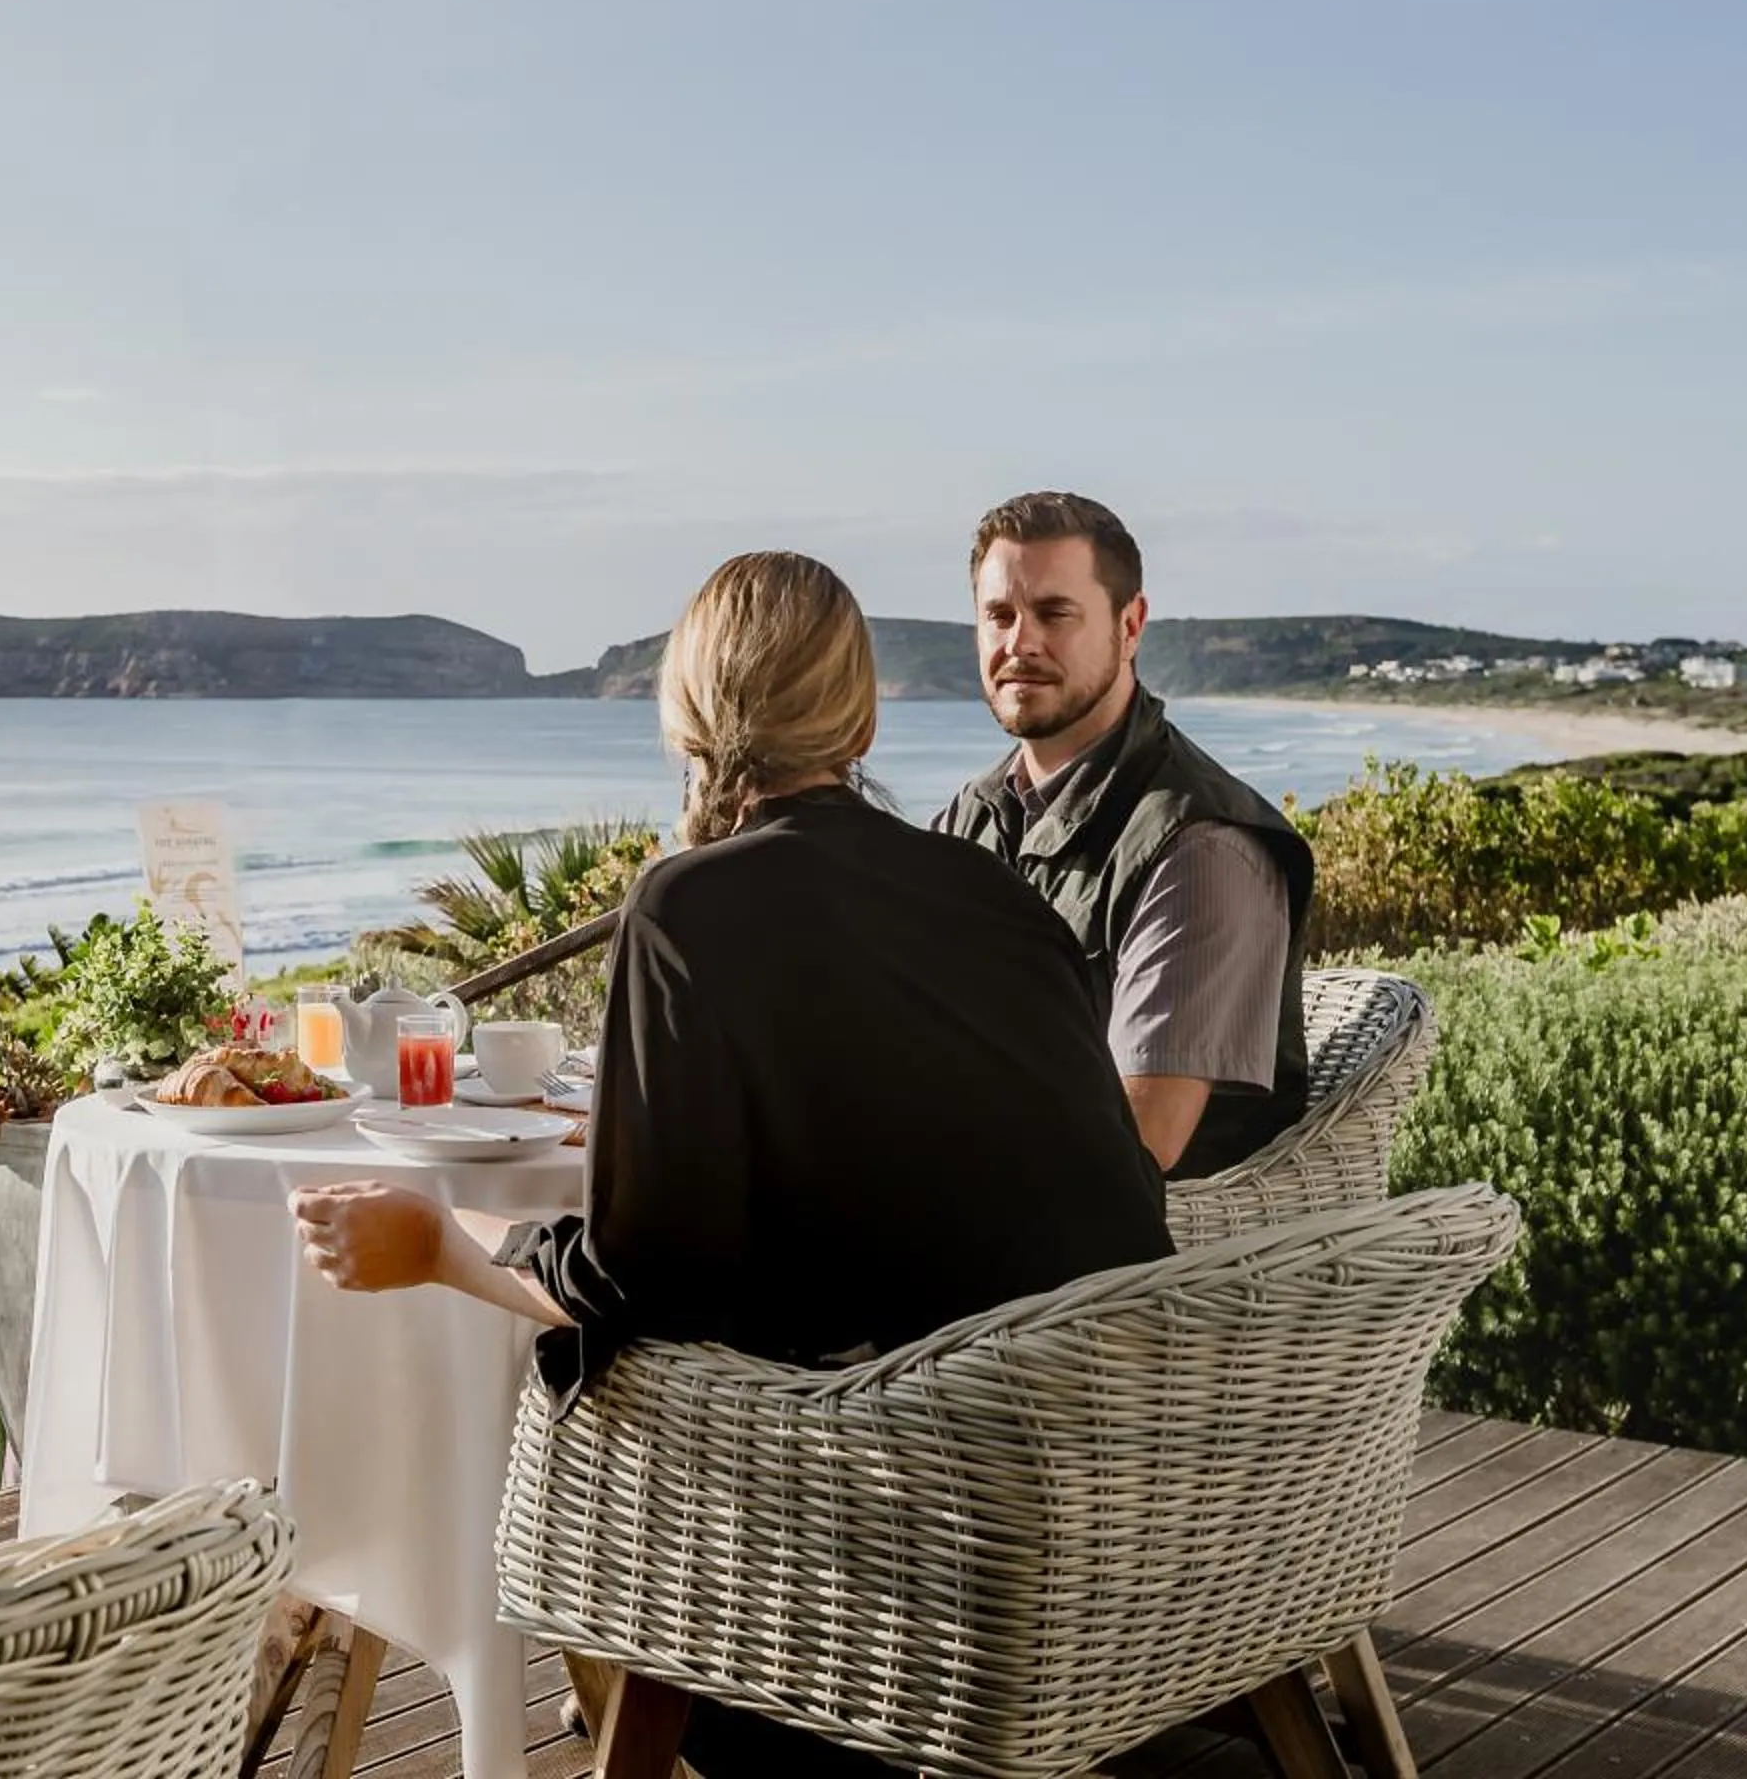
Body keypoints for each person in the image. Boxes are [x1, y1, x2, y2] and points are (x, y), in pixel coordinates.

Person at [291, 550, 1173, 1778]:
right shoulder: (992, 891)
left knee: (622, 1397)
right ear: (860, 720)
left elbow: (647, 1280)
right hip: (1128, 1503)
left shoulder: (691, 905)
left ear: (688, 722)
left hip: (902, 1564)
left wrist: (438, 1242)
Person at [939, 492, 1317, 1180]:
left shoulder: (1204, 846)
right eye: (999, 616)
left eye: (1054, 613)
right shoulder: (975, 815)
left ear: (1130, 625)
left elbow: (1139, 1144)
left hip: (1142, 1266)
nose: (1018, 643)